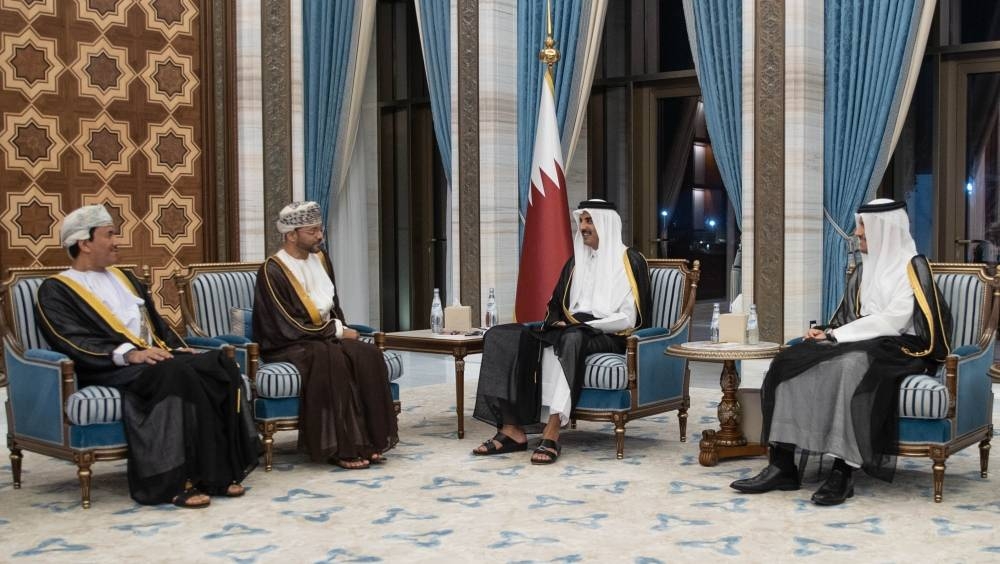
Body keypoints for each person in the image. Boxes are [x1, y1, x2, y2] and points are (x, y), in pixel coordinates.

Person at [35, 205, 259, 508]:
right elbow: (70, 339)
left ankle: (217, 474)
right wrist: (130, 355)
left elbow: (156, 324)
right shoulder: (56, 289)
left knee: (219, 365)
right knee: (176, 373)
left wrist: (178, 348)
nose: (117, 241)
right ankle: (172, 483)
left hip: (150, 360)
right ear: (84, 243)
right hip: (105, 367)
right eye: (109, 235)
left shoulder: (125, 278)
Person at [730, 198, 951, 505]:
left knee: (849, 366)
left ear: (884, 230)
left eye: (863, 227)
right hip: (862, 340)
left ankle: (842, 472)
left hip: (900, 346)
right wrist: (826, 330)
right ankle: (782, 465)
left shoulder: (912, 268)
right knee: (789, 359)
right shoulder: (865, 268)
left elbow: (892, 320)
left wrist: (836, 335)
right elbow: (851, 317)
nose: (857, 233)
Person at [472, 199, 651, 464]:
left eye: (589, 221)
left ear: (606, 224)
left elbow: (628, 318)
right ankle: (511, 429)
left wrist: (584, 326)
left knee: (571, 338)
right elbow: (556, 304)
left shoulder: (630, 261)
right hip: (572, 328)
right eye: (581, 221)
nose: (583, 227)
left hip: (610, 335)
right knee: (503, 335)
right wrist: (556, 321)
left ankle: (553, 430)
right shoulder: (576, 262)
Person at [252, 201, 398, 470]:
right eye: (312, 231)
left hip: (322, 337)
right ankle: (339, 447)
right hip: (287, 342)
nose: (320, 236)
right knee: (330, 359)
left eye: (320, 229)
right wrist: (338, 331)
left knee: (367, 354)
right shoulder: (272, 270)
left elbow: (333, 305)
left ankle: (368, 441)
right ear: (291, 234)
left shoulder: (321, 259)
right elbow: (287, 324)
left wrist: (340, 329)